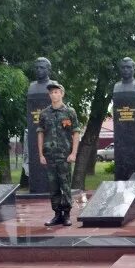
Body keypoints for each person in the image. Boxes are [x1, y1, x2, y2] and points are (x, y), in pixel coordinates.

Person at [37, 81, 81, 226]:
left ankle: (67, 214)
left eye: (56, 92)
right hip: (50, 156)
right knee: (53, 186)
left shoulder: (70, 112)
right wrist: (41, 155)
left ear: (62, 94)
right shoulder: (44, 114)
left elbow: (75, 133)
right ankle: (57, 215)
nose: (54, 94)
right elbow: (40, 134)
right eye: (51, 92)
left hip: (64, 156)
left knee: (66, 186)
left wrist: (73, 153)